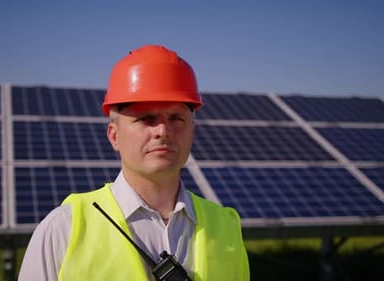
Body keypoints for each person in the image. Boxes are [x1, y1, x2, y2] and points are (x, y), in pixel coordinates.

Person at [18, 44, 250, 280]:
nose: (162, 130)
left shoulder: (227, 227)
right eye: (146, 118)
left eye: (176, 118)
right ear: (114, 136)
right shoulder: (63, 230)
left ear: (192, 131)